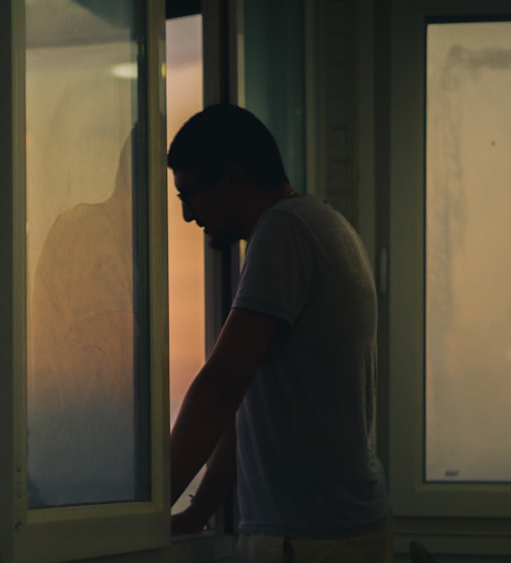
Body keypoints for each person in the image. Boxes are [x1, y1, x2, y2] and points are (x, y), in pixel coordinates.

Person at [168, 104, 391, 563]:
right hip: (331, 529)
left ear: (231, 178)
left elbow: (219, 387)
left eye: (188, 194)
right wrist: (198, 510)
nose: (188, 215)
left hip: (309, 539)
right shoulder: (322, 223)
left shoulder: (283, 232)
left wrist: (145, 506)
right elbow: (246, 403)